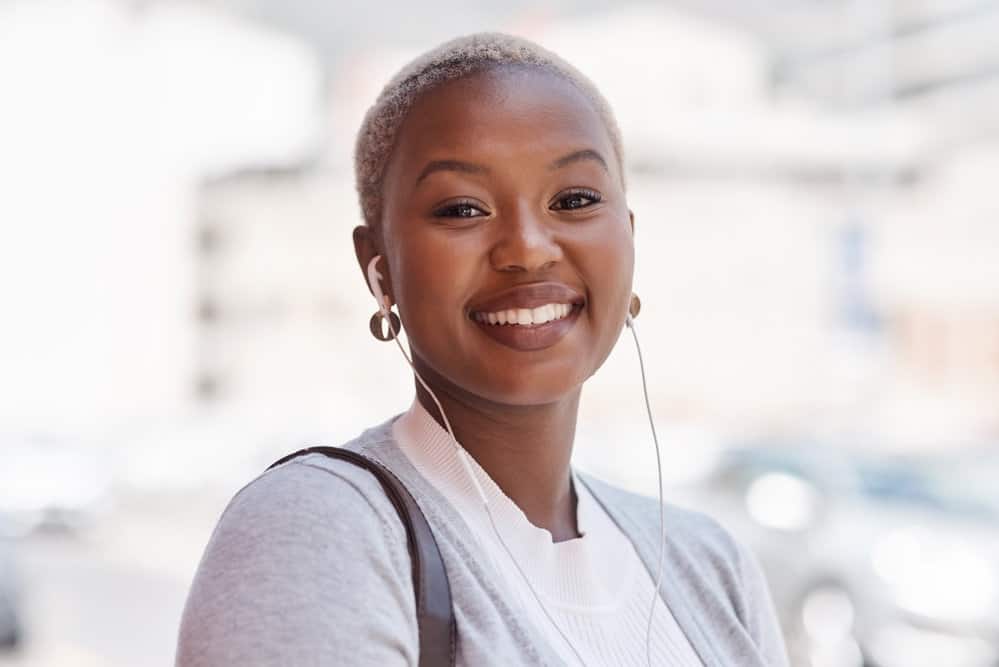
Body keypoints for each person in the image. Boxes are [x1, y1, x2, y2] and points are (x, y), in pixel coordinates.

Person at [175, 32, 789, 667]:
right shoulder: (317, 531)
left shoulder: (710, 567)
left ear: (628, 239)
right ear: (378, 268)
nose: (526, 248)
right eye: (463, 209)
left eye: (574, 200)